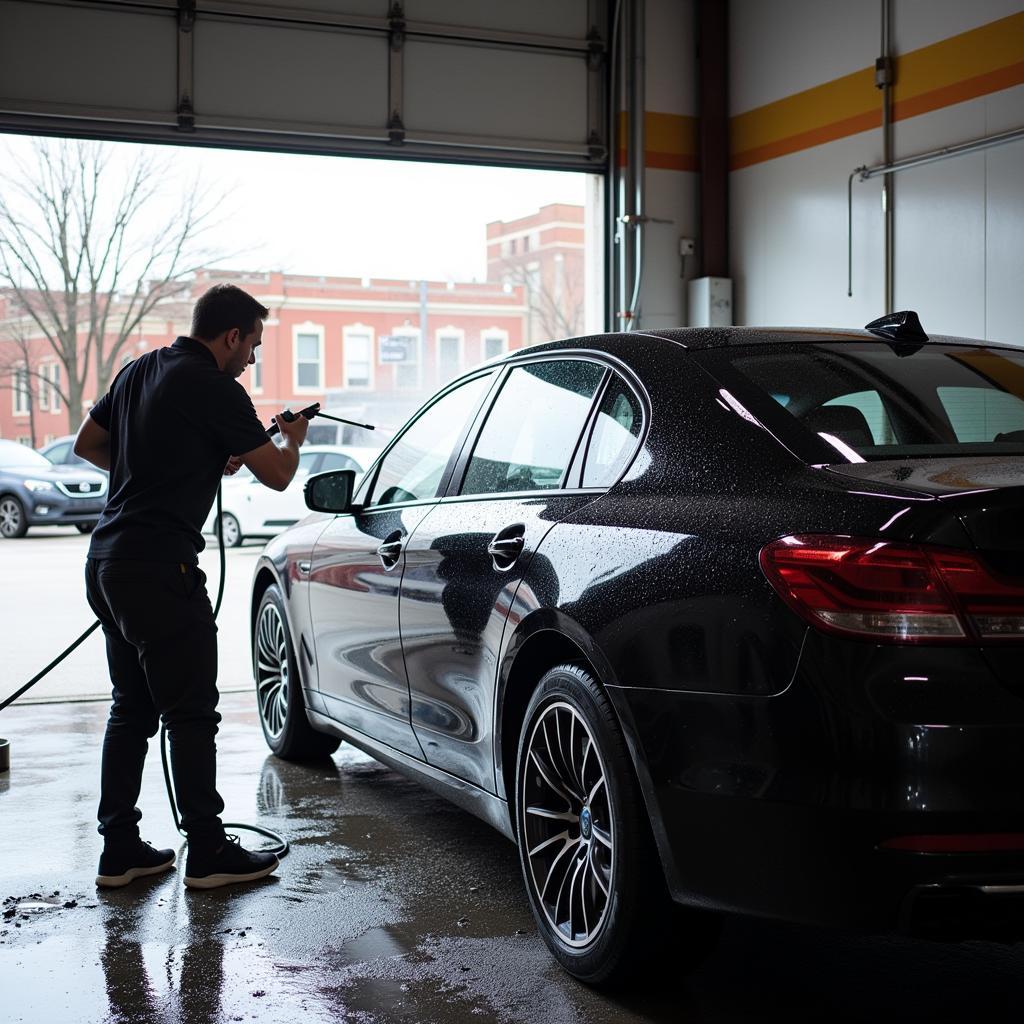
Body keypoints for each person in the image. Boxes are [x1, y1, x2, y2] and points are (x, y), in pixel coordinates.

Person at [74, 284, 309, 890]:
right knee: (190, 713)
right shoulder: (215, 387)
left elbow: (89, 444)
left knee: (131, 708)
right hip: (159, 568)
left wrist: (179, 461)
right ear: (230, 336)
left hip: (107, 560)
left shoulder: (139, 368)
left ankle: (120, 848)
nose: (252, 360)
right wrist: (291, 438)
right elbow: (280, 475)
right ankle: (206, 850)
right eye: (252, 345)